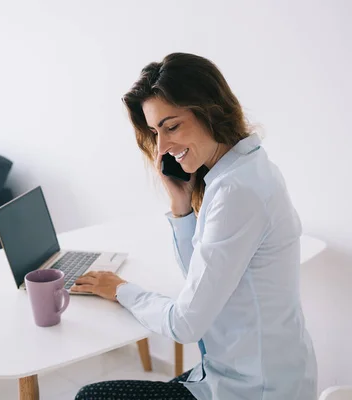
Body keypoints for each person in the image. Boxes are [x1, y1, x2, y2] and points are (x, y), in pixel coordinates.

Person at [72, 53, 317, 400]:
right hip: (243, 374)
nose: (162, 148)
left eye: (172, 127)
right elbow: (198, 285)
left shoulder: (236, 191)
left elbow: (185, 323)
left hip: (252, 390)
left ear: (210, 110)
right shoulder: (245, 168)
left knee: (91, 397)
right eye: (156, 132)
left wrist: (119, 289)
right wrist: (182, 208)